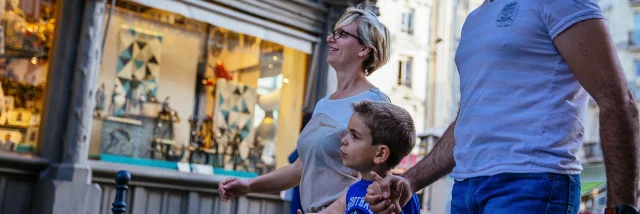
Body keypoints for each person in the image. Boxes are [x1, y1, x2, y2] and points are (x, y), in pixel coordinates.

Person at [365, 0, 640, 213]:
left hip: (532, 184)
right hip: (465, 189)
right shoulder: (474, 19)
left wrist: (621, 207)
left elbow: (618, 101)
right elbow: (467, 123)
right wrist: (410, 181)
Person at [217, 4, 392, 213]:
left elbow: (374, 180)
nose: (330, 39)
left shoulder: (375, 103)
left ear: (364, 49)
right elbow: (299, 168)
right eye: (333, 32)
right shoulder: (324, 103)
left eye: (342, 34)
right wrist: (248, 186)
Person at [307, 100, 420, 214]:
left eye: (355, 136)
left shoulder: (400, 192)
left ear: (380, 154)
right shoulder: (352, 190)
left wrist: (395, 209)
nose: (344, 140)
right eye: (348, 133)